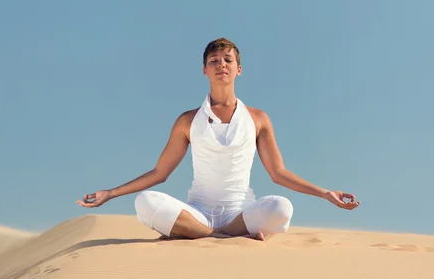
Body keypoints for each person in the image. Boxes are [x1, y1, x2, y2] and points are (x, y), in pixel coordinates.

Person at [77, 38, 360, 240]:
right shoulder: (187, 121)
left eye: (228, 60)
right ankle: (222, 236)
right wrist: (110, 193)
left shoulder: (258, 118)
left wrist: (325, 193)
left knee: (281, 207)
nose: (220, 64)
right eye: (213, 60)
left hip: (241, 213)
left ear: (239, 69)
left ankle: (200, 235)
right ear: (205, 70)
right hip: (197, 211)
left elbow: (278, 173)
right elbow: (160, 173)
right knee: (145, 202)